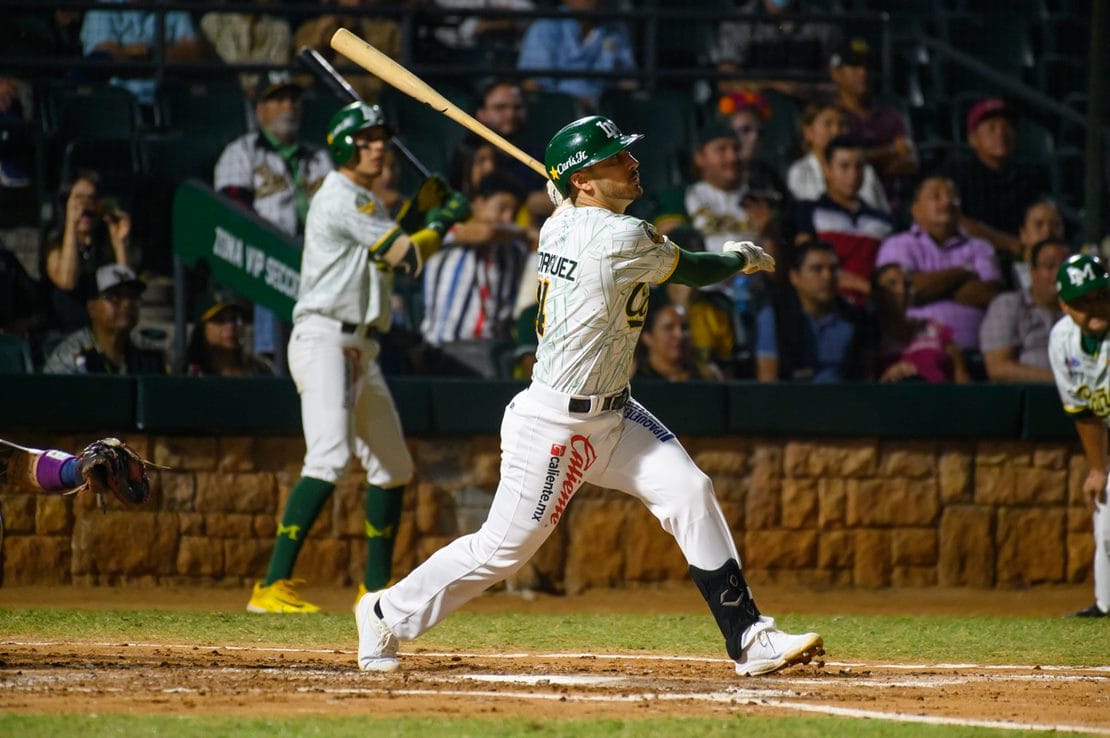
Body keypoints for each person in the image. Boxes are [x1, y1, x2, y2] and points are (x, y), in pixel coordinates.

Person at [354, 114, 823, 676]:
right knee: (501, 552)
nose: (632, 163)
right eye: (615, 159)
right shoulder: (621, 235)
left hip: (615, 413)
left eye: (625, 153)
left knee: (690, 491)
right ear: (583, 181)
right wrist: (740, 257)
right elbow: (697, 271)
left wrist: (570, 190)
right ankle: (383, 611)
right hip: (554, 423)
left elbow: (568, 206)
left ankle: (751, 638)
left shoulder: (559, 221)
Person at [246, 102, 471, 613]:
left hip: (358, 345)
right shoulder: (342, 196)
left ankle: (374, 591)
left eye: (380, 139)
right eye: (366, 138)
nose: (377, 147)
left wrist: (418, 214)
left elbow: (380, 251)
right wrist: (442, 221)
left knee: (392, 465)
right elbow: (407, 257)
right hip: (326, 338)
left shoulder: (364, 202)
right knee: (328, 457)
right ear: (343, 144)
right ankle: (270, 586)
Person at [214, 72, 333, 357]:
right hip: (259, 256)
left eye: (293, 99)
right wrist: (276, 246)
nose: (288, 106)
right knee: (273, 270)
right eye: (278, 99)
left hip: (314, 255)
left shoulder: (318, 157)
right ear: (259, 110)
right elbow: (233, 214)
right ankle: (270, 356)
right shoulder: (241, 153)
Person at [1047, 254, 1110, 617]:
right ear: (1064, 305)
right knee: (1105, 507)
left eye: (1100, 294)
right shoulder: (1062, 339)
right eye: (1082, 301)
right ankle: (1105, 605)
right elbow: (1082, 409)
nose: (1094, 306)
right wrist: (1098, 468)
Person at [875, 177, 1002, 355]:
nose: (947, 202)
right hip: (914, 352)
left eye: (953, 197)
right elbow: (911, 290)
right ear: (916, 210)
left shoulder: (980, 247)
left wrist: (934, 289)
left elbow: (990, 294)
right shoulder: (898, 244)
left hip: (976, 354)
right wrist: (964, 272)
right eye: (936, 196)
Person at [420, 172, 529, 378]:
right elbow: (486, 233)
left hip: (497, 349)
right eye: (502, 208)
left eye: (514, 213)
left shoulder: (514, 248)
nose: (508, 218)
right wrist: (522, 231)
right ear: (478, 203)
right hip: (445, 347)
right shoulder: (447, 229)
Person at [940, 98, 1050, 258]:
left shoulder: (1028, 175)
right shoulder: (957, 172)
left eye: (1007, 127)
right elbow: (955, 221)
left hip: (1024, 256)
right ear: (973, 139)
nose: (1001, 133)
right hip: (971, 255)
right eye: (992, 128)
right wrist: (1010, 243)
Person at [794, 135, 893, 306]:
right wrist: (865, 287)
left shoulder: (884, 221)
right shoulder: (808, 211)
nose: (853, 175)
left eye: (859, 167)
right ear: (827, 170)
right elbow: (807, 268)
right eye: (844, 167)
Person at [755, 240, 869, 382]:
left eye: (833, 269)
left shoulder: (854, 319)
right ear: (795, 277)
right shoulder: (775, 316)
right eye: (817, 269)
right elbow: (767, 381)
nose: (827, 276)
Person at [828, 37, 917, 206]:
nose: (863, 72)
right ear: (836, 73)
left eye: (867, 66)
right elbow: (832, 162)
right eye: (854, 65)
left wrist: (865, 161)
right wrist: (890, 151)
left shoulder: (891, 115)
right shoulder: (831, 117)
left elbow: (910, 162)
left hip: (890, 206)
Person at [41, 172, 131, 337]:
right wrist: (72, 224)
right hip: (62, 336)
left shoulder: (103, 245)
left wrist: (119, 245)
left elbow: (125, 293)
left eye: (92, 199)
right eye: (79, 198)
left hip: (100, 335)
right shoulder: (54, 242)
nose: (86, 206)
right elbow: (67, 282)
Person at [450, 79, 552, 223]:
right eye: (500, 107)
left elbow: (551, 202)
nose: (510, 114)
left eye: (517, 107)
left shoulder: (539, 155)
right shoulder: (471, 153)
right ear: (481, 113)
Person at [43, 264, 165, 375]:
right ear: (91, 307)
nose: (127, 304)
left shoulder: (148, 352)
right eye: (114, 297)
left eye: (133, 297)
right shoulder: (70, 355)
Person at [79, 0, 205, 107]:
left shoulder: (172, 4)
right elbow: (103, 56)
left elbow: (192, 54)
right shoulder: (103, 7)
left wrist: (143, 53)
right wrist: (161, 56)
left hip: (170, 103)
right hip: (115, 106)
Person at [516, 0, 635, 113]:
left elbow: (627, 81)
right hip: (557, 113)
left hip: (605, 113)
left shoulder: (615, 28)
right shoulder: (544, 27)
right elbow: (532, 84)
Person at [979, 238, 1069, 383]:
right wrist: (1061, 380)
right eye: (1049, 266)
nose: (1059, 273)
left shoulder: (1084, 311)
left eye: (1065, 267)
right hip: (1027, 397)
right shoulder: (1008, 305)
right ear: (1032, 272)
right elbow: (998, 368)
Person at [872, 263, 969, 383]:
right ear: (877, 294)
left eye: (907, 285)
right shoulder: (871, 339)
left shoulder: (936, 330)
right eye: (892, 284)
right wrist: (886, 378)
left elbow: (962, 381)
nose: (902, 290)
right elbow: (863, 390)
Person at [787, 101, 889, 213]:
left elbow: (882, 215)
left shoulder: (865, 171)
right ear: (808, 132)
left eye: (841, 124)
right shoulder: (800, 172)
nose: (836, 132)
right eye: (828, 124)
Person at [199, 0, 291, 98]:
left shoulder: (280, 29)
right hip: (226, 96)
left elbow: (278, 74)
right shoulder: (214, 22)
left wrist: (258, 88)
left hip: (265, 98)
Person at [179, 291, 274, 377]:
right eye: (220, 321)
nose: (230, 326)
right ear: (202, 329)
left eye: (235, 319)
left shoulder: (261, 370)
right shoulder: (191, 373)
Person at [635, 298, 723, 381]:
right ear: (647, 337)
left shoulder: (707, 376)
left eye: (684, 327)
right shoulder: (631, 382)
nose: (679, 335)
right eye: (668, 328)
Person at [1012, 199, 1065, 291]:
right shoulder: (1005, 273)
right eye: (1039, 225)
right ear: (1023, 234)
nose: (1048, 231)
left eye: (1055, 225)